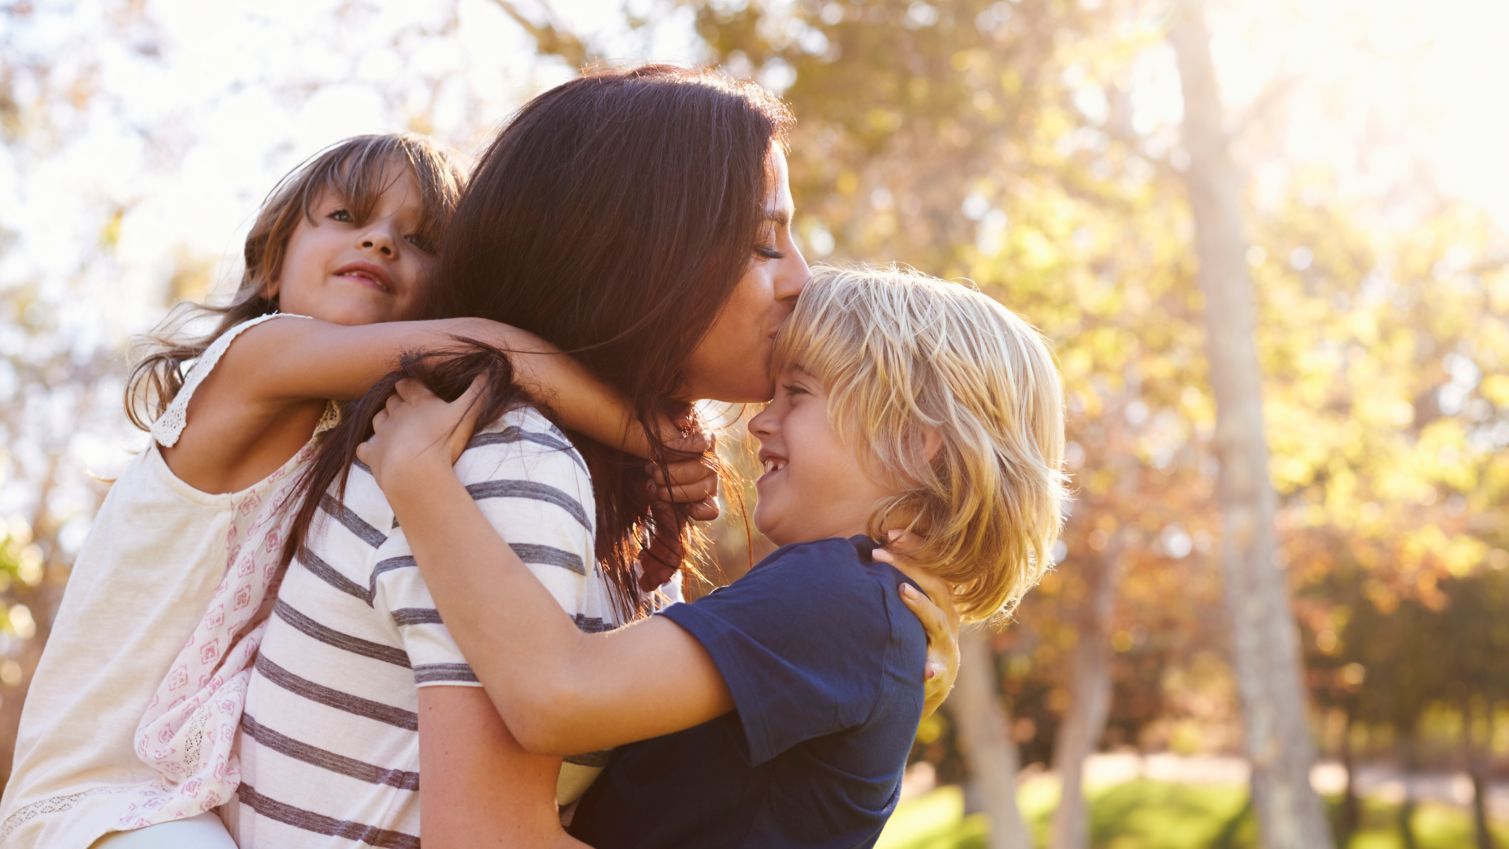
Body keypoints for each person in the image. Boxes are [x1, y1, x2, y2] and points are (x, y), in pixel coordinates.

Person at [223, 66, 961, 849]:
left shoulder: (594, 481)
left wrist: (867, 655)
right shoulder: (510, 466)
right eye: (759, 243)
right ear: (632, 259)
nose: (800, 280)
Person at [0, 132, 705, 849]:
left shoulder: (358, 433)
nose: (379, 243)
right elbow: (488, 348)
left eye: (418, 239)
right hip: (98, 795)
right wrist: (647, 434)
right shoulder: (255, 358)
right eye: (347, 218)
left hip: (197, 789)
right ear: (272, 265)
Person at [361, 264, 1067, 848]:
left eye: (797, 393)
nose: (761, 418)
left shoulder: (840, 594)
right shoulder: (861, 610)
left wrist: (418, 474)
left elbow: (557, 694)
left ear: (917, 442)